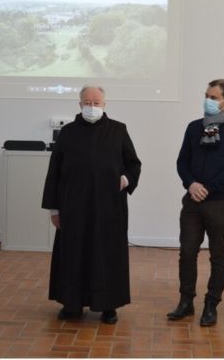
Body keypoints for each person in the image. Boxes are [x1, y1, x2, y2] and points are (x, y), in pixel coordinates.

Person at [42, 85, 141, 324]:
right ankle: (72, 303)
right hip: (73, 209)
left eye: (97, 103)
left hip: (109, 209)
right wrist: (54, 208)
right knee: (73, 254)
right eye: (88, 102)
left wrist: (126, 179)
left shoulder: (118, 130)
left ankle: (109, 305)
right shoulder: (68, 133)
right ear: (79, 104)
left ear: (104, 105)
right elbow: (54, 172)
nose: (92, 107)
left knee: (107, 255)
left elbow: (133, 163)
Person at [167, 79, 224, 326]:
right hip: (192, 200)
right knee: (187, 252)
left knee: (218, 255)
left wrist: (209, 188)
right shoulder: (194, 127)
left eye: (214, 97)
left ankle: (211, 305)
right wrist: (191, 184)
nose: (208, 100)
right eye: (207, 95)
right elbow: (182, 161)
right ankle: (186, 302)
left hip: (220, 201)